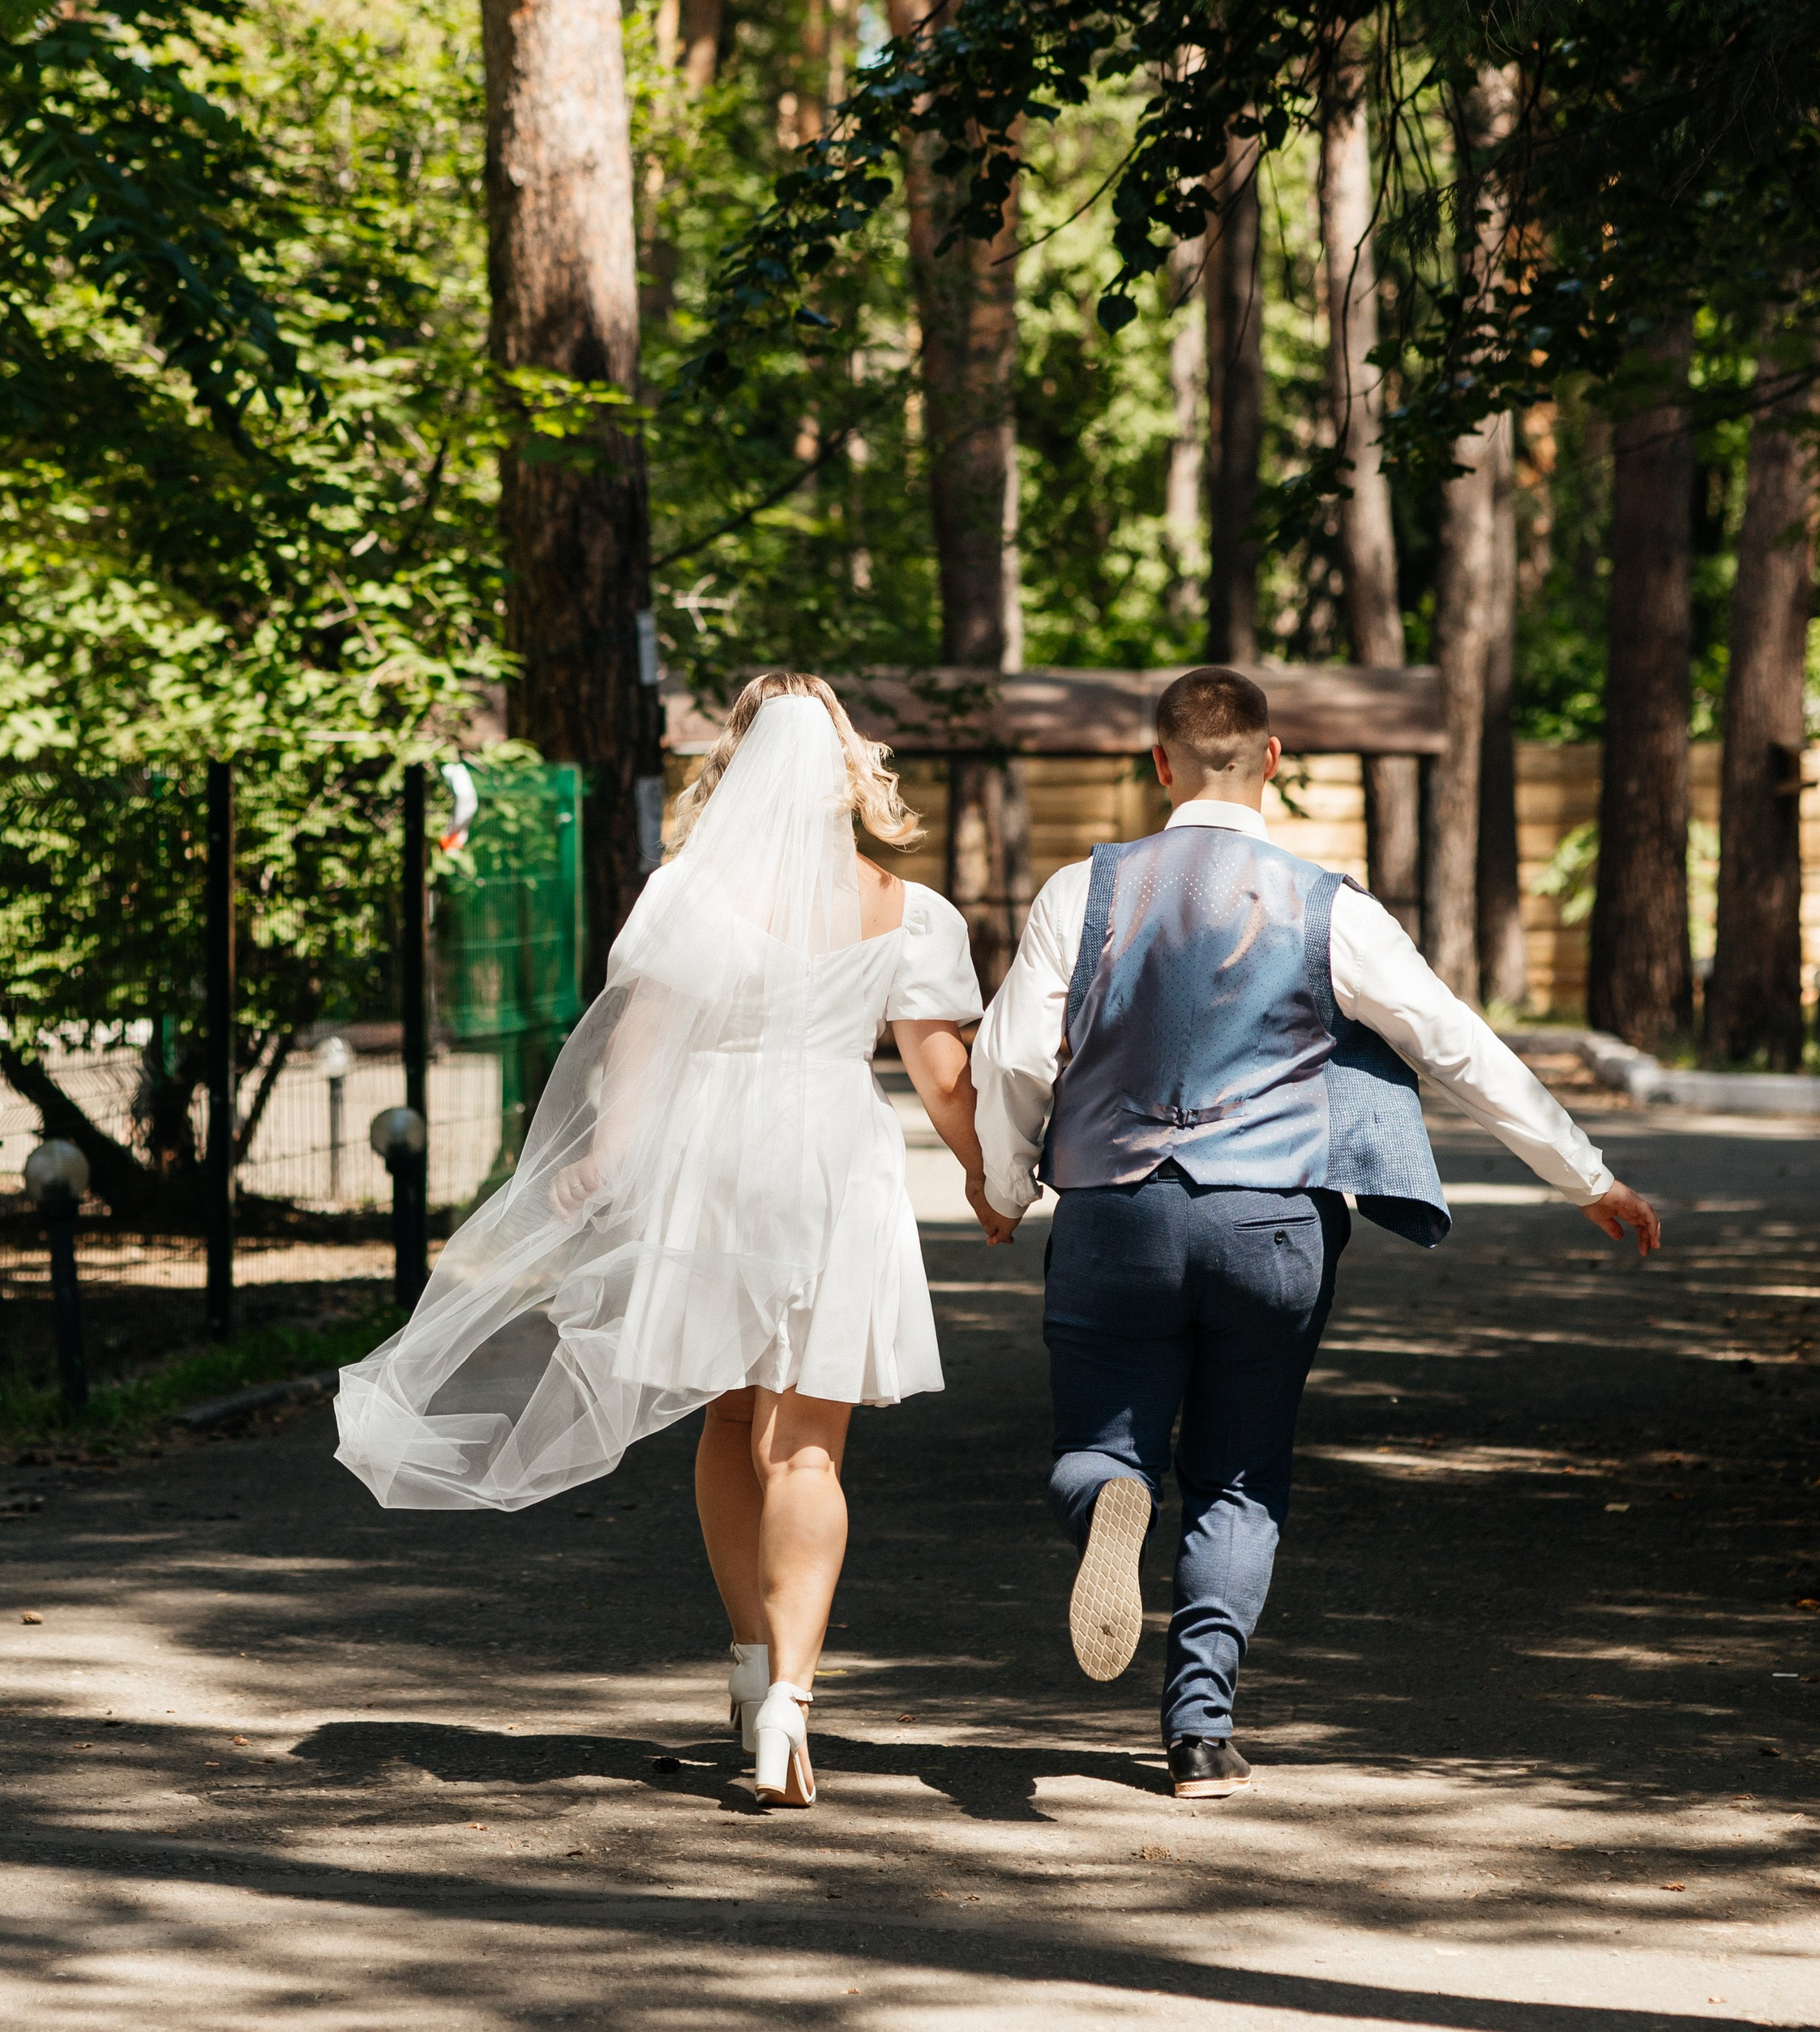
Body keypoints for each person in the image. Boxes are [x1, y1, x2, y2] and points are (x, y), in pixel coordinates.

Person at [970, 664, 1661, 1801]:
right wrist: (1584, 1174)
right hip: (1271, 1221)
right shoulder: (1328, 906)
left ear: (1159, 764)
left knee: (1098, 1445)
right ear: (1273, 761)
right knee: (1240, 1477)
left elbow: (1012, 1055)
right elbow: (1453, 1043)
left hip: (1116, 1216)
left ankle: (1109, 1504)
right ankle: (1198, 1734)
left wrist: (1003, 1188)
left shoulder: (1078, 893)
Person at [335, 672, 995, 1809]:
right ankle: (790, 1693)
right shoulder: (910, 911)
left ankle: (746, 1669)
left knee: (729, 1412)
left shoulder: (686, 894)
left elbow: (636, 1044)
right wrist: (994, 1171)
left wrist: (606, 1158)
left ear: (735, 767)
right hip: (833, 1153)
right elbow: (943, 1079)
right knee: (807, 1437)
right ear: (843, 766)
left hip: (715, 1156)